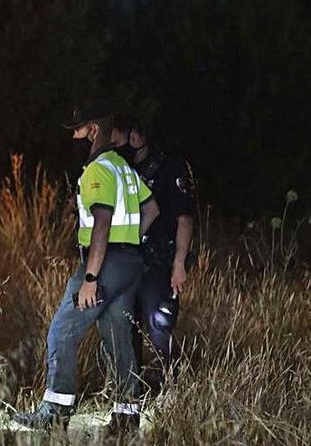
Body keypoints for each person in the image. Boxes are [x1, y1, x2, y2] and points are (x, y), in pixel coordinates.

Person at [12, 100, 160, 434]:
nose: (75, 135)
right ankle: (126, 416)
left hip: (104, 264)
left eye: (78, 129)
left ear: (93, 130)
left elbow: (102, 224)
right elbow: (152, 210)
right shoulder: (124, 167)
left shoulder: (97, 170)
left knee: (62, 330)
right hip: (131, 263)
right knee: (118, 336)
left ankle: (56, 411)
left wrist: (91, 277)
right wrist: (131, 241)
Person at [111, 115, 196, 392]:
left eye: (119, 139)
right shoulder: (120, 170)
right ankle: (132, 389)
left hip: (160, 261)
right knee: (127, 325)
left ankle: (167, 386)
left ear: (137, 136)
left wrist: (179, 262)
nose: (116, 146)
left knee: (159, 322)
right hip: (129, 260)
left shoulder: (169, 168)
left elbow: (185, 217)